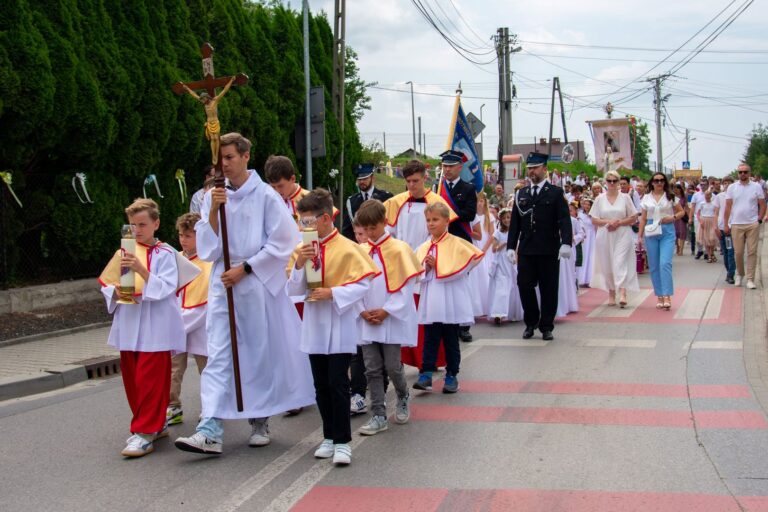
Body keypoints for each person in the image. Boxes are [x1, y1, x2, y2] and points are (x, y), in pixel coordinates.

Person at [174, 133, 315, 456]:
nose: (223, 164)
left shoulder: (265, 196)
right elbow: (207, 247)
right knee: (220, 353)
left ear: (246, 156)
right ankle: (210, 427)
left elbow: (282, 241)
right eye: (220, 159)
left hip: (253, 284)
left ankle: (259, 419)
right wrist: (212, 212)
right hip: (223, 283)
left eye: (229, 158)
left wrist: (247, 269)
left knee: (255, 353)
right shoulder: (213, 196)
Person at [287, 189, 379, 465]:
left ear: (325, 218)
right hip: (314, 322)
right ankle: (328, 436)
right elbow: (292, 288)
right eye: (301, 222)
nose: (304, 227)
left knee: (339, 383)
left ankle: (343, 441)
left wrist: (334, 293)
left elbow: (363, 283)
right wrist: (300, 263)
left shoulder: (349, 248)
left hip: (338, 323)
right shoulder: (302, 248)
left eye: (308, 221)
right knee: (320, 385)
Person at [98, 198, 189, 457]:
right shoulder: (123, 252)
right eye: (132, 225)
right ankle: (156, 423)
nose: (137, 230)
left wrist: (141, 270)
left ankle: (144, 432)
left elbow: (167, 287)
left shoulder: (167, 253)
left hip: (155, 326)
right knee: (133, 379)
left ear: (156, 224)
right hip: (128, 324)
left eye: (142, 224)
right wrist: (113, 291)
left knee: (150, 379)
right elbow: (107, 282)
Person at [354, 200, 422, 435]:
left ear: (384, 222)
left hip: (389, 317)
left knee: (393, 366)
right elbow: (353, 285)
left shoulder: (400, 249)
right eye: (366, 229)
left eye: (373, 228)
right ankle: (378, 415)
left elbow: (404, 287)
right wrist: (361, 310)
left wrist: (387, 310)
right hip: (367, 317)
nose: (369, 234)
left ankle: (403, 395)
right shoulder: (360, 251)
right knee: (371, 368)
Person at [413, 202, 483, 393]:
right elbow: (417, 272)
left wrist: (439, 265)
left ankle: (452, 374)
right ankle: (426, 372)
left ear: (446, 220)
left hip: (450, 299)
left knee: (450, 338)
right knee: (430, 336)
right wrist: (425, 269)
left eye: (435, 219)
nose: (431, 224)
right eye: (428, 220)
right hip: (432, 299)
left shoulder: (456, 244)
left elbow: (466, 266)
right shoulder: (424, 246)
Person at [506, 152, 573, 341]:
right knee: (524, 285)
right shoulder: (522, 193)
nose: (532, 172)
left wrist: (566, 243)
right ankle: (531, 321)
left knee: (548, 288)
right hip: (527, 249)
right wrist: (511, 247)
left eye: (535, 168)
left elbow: (564, 221)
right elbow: (515, 224)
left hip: (548, 249)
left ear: (545, 169)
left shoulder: (555, 193)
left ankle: (546, 326)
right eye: (529, 169)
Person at [167, 213, 212, 427]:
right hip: (178, 323)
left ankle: (211, 407)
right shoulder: (175, 258)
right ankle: (172, 406)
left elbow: (205, 301)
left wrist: (180, 325)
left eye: (188, 235)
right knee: (174, 368)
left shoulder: (209, 262)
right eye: (180, 235)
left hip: (200, 325)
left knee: (207, 369)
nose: (183, 239)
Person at [437, 149, 478, 342]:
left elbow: (469, 214)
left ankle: (463, 326)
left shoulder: (468, 188)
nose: (447, 170)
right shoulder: (437, 188)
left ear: (460, 167)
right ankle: (446, 323)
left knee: (460, 286)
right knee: (442, 285)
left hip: (460, 241)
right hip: (440, 242)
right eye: (445, 166)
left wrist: (446, 214)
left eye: (451, 166)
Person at [589, 170, 639, 308]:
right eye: (609, 181)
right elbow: (594, 219)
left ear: (618, 183)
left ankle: (623, 292)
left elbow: (634, 217)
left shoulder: (625, 198)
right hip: (605, 234)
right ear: (605, 182)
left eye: (614, 181)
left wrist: (619, 223)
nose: (612, 183)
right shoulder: (599, 198)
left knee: (620, 261)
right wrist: (608, 222)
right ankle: (611, 292)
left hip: (622, 233)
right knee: (608, 264)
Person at [384, 159, 457, 251]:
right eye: (408, 181)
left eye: (415, 181)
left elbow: (441, 232)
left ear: (425, 178)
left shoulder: (437, 202)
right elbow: (389, 231)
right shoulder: (396, 202)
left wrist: (421, 252)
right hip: (401, 254)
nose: (411, 185)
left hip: (427, 255)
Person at [637, 173, 685, 310]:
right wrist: (639, 236)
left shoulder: (670, 197)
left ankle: (667, 295)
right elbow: (644, 218)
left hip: (667, 230)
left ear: (665, 182)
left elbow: (682, 212)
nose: (659, 183)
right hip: (651, 230)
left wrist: (673, 217)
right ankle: (659, 295)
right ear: (652, 182)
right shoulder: (646, 198)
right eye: (656, 180)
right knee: (654, 265)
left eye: (662, 180)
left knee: (665, 263)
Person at [724, 163, 766, 289]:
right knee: (738, 252)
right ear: (738, 174)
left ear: (749, 173)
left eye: (745, 172)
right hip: (736, 224)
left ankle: (750, 279)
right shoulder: (732, 187)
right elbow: (728, 206)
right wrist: (726, 224)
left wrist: (759, 220)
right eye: (740, 172)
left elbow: (763, 204)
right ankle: (740, 274)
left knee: (752, 252)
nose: (743, 174)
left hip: (752, 223)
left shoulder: (756, 186)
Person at [264, 155, 339, 223]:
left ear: (293, 179)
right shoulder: (267, 202)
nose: (277, 191)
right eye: (273, 187)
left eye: (280, 186)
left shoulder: (314, 200)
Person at [181, 76, 236, 165]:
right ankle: (214, 156)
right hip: (209, 123)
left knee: (216, 138)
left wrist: (231, 81)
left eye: (203, 99)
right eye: (202, 100)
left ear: (207, 97)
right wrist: (187, 88)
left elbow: (224, 90)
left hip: (215, 122)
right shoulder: (205, 104)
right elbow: (194, 95)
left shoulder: (215, 101)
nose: (202, 101)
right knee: (212, 139)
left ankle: (216, 155)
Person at [488, 208, 524, 324]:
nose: (506, 220)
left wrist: (517, 260)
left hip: (511, 262)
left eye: (508, 217)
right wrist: (502, 245)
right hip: (501, 262)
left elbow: (518, 249)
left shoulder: (516, 232)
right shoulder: (498, 233)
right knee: (501, 288)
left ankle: (512, 313)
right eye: (504, 218)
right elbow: (493, 249)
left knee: (513, 288)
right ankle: (498, 313)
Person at [341, 163, 393, 240]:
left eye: (365, 178)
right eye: (359, 179)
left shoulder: (386, 197)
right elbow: (347, 231)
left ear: (373, 178)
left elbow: (391, 225)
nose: (361, 182)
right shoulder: (351, 201)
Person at [469, 192, 494, 319]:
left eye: (481, 201)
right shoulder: (472, 217)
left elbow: (491, 235)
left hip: (485, 248)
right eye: (477, 201)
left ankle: (486, 304)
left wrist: (484, 249)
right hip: (476, 246)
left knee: (485, 274)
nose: (479, 203)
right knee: (478, 275)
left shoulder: (488, 217)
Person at [716, 176, 736, 284]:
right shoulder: (719, 196)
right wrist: (715, 227)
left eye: (729, 183)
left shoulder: (735, 196)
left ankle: (731, 274)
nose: (727, 185)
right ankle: (729, 271)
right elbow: (715, 212)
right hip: (721, 227)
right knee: (725, 251)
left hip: (732, 226)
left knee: (731, 252)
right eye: (725, 183)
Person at [697, 188, 720, 264]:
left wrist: (716, 222)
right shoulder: (702, 204)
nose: (707, 196)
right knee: (706, 239)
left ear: (711, 196)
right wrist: (700, 221)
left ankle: (712, 253)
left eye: (708, 195)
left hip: (712, 220)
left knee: (712, 238)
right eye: (706, 195)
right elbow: (698, 213)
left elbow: (716, 213)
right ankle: (709, 256)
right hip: (704, 220)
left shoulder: (714, 204)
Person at [577, 197, 596, 287]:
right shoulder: (580, 214)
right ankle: (582, 278)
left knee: (591, 256)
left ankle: (591, 279)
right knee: (584, 256)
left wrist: (592, 217)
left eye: (588, 204)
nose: (586, 206)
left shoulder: (594, 215)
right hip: (584, 237)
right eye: (585, 204)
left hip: (592, 236)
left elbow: (596, 226)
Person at [673, 184, 688, 256]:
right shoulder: (671, 197)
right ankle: (678, 248)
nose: (676, 190)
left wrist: (688, 216)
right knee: (675, 233)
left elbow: (686, 207)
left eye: (677, 189)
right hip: (674, 217)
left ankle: (681, 250)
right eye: (674, 189)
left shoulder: (683, 197)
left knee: (682, 232)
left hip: (681, 217)